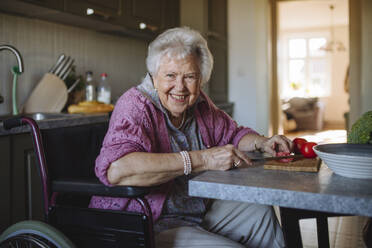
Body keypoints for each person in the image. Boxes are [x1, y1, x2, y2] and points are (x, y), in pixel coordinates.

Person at [90, 27, 293, 248]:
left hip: (196, 212)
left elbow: (233, 134)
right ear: (154, 77)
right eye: (170, 75)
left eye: (190, 77)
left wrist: (261, 142)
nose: (180, 87)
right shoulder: (135, 105)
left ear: (201, 80)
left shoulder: (200, 105)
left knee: (260, 212)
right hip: (149, 222)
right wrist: (201, 159)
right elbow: (117, 169)